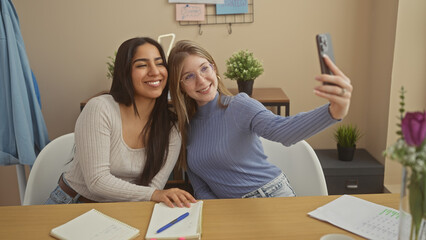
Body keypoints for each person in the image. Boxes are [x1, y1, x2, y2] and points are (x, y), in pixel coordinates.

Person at [168, 40, 353, 199]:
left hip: (269, 195)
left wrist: (333, 111)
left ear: (214, 68)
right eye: (189, 76)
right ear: (180, 86)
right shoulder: (184, 127)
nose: (201, 80)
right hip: (227, 209)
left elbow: (284, 131)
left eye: (204, 68)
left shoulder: (239, 105)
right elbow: (201, 188)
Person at [46, 37, 196, 207]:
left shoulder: (171, 127)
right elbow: (97, 181)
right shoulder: (100, 109)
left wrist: (155, 195)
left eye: (159, 63)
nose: (155, 71)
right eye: (142, 65)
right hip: (74, 203)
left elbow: (154, 188)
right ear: (125, 72)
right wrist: (155, 194)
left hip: (124, 208)